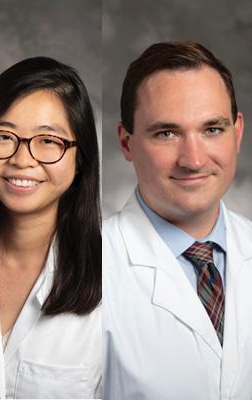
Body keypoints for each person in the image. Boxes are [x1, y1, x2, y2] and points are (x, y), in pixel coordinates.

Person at [103, 41, 252, 399]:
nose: (193, 159)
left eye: (212, 129)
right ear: (126, 142)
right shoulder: (84, 268)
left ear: (237, 133)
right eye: (166, 133)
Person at [0, 57, 102, 398]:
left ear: (80, 159)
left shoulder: (117, 277)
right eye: (4, 137)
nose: (22, 159)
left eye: (48, 141)